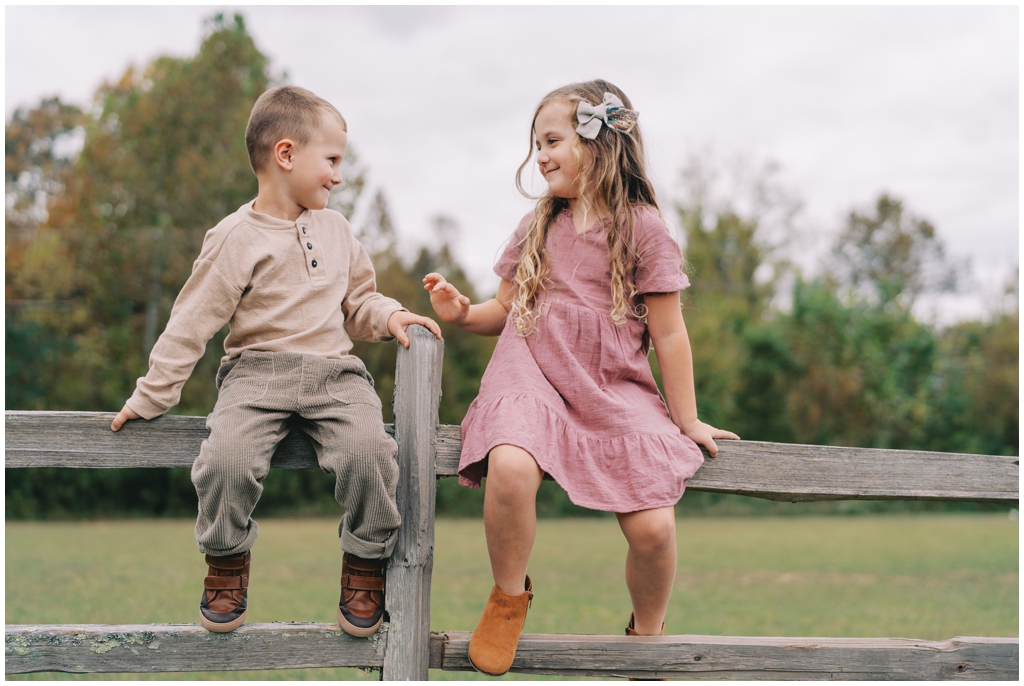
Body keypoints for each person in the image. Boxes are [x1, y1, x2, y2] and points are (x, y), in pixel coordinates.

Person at [424, 79, 739, 676]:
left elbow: (669, 334)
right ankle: (507, 599)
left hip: (611, 384)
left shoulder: (643, 227)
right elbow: (506, 310)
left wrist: (688, 417)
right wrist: (464, 314)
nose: (540, 155)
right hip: (532, 372)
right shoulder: (538, 224)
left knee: (653, 529)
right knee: (511, 467)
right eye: (535, 143)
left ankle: (646, 638)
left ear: (600, 142)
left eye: (552, 140)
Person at [110, 85, 441, 637]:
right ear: (286, 155)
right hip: (256, 376)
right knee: (226, 460)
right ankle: (225, 558)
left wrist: (391, 316)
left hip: (335, 376)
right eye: (331, 160)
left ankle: (363, 563)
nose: (338, 175)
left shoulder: (337, 230)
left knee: (370, 453)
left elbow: (359, 301)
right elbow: (192, 322)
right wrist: (152, 394)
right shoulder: (235, 236)